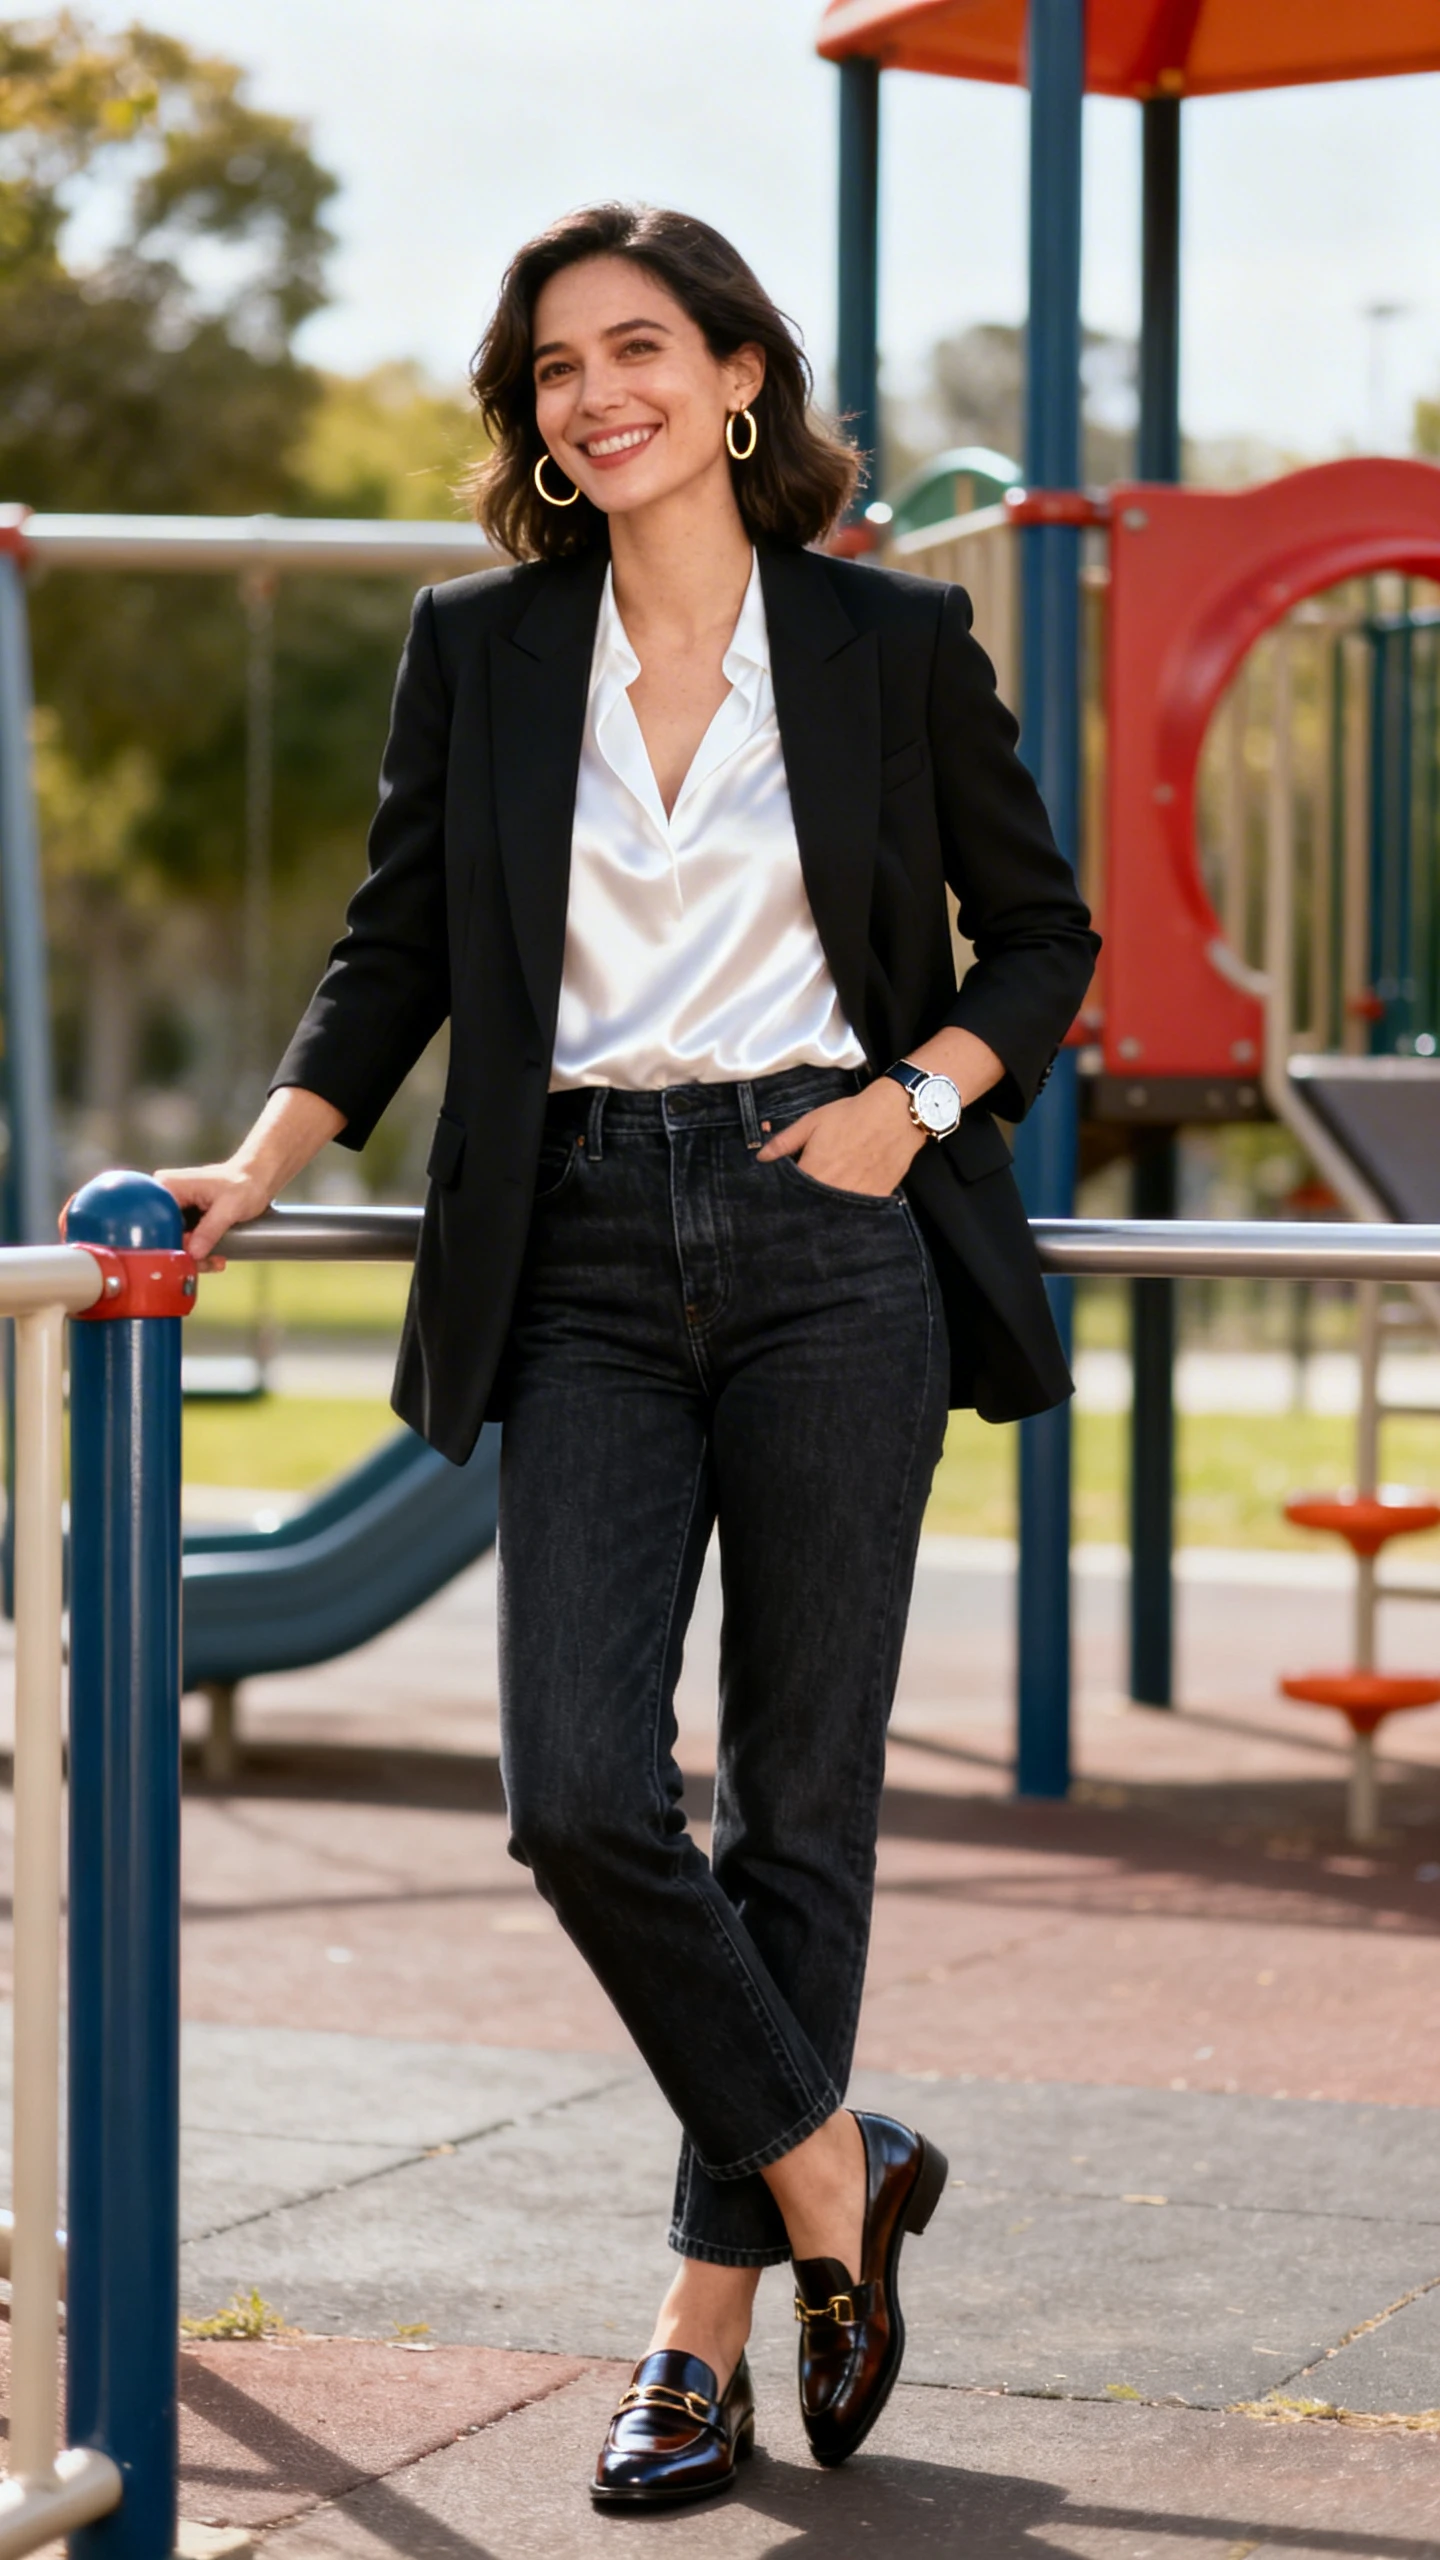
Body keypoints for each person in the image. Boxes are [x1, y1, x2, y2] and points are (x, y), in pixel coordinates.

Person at [160, 202, 1098, 2509]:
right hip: (570, 1234)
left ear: (741, 377)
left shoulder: (891, 639)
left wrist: (923, 1101)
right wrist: (256, 1168)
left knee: (802, 1802)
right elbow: (394, 953)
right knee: (577, 1785)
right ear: (539, 423)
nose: (599, 391)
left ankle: (697, 2334)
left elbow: (1044, 938)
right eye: (558, 364)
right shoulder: (478, 647)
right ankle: (828, 2167)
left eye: (642, 345)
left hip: (828, 1229)